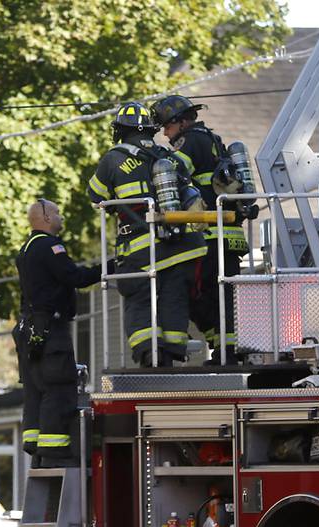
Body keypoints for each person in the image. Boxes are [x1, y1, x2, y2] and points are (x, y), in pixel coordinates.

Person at [88, 101, 207, 367]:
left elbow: (96, 196)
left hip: (142, 250)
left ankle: (149, 354)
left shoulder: (113, 158)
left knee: (140, 300)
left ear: (120, 130)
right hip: (181, 246)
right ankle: (171, 351)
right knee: (173, 296)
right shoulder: (168, 156)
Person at [151, 95, 249, 365]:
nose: (165, 133)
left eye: (167, 127)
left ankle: (225, 351)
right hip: (229, 236)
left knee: (197, 294)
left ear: (181, 122)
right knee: (221, 296)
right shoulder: (214, 140)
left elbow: (174, 168)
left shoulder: (191, 140)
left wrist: (154, 161)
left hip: (210, 237)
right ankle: (225, 350)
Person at [13, 199, 104, 467]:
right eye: (56, 212)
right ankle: (55, 449)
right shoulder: (49, 246)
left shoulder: (26, 249)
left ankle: (36, 446)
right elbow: (74, 277)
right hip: (50, 330)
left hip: (30, 331)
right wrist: (109, 268)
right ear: (44, 217)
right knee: (59, 387)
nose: (60, 216)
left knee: (35, 390)